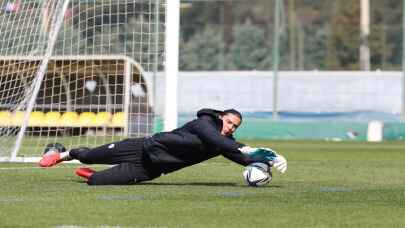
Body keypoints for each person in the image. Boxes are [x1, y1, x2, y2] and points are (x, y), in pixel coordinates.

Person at [39, 108, 287, 185]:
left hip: (151, 169)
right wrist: (245, 148)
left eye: (236, 126)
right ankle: (61, 152)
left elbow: (240, 157)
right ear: (221, 117)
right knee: (89, 155)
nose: (232, 127)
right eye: (229, 122)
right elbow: (217, 141)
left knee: (95, 182)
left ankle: (96, 176)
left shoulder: (225, 143)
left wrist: (266, 160)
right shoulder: (204, 123)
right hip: (141, 147)